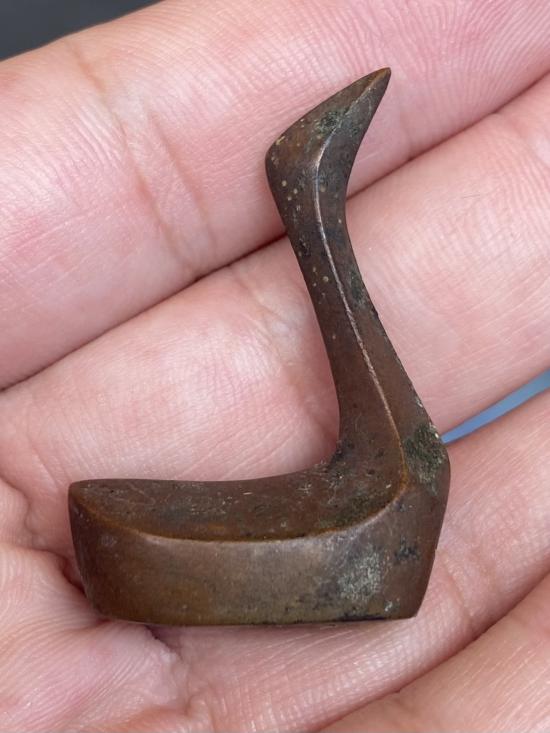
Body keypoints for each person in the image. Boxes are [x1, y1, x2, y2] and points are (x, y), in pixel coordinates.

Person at [0, 1, 549, 730]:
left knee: (401, 479)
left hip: (372, 509)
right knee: (403, 478)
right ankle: (310, 188)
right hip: (364, 513)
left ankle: (310, 188)